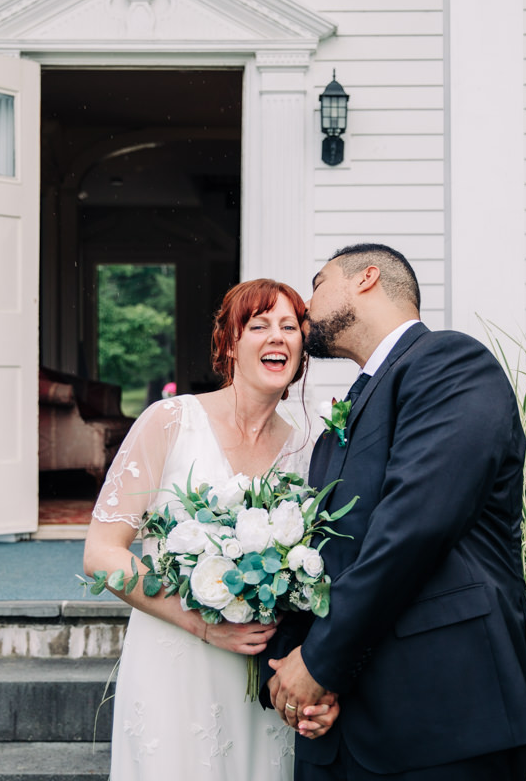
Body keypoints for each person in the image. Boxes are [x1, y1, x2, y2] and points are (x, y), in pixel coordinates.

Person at [262, 244, 526, 780]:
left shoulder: (449, 364)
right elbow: (317, 556)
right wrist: (291, 666)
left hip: (443, 714)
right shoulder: (337, 428)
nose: (307, 305)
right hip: (337, 723)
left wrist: (318, 661)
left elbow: (415, 527)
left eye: (318, 282)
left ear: (366, 278)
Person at [84, 278, 338, 781]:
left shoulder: (311, 450)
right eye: (259, 325)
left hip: (261, 677)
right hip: (175, 664)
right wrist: (202, 623)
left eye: (290, 327)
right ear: (230, 344)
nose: (277, 337)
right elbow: (101, 555)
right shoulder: (170, 422)